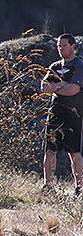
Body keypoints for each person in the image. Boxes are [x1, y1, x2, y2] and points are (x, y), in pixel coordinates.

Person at [40, 33, 83, 195]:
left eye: (64, 45)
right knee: (50, 151)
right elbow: (44, 87)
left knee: (75, 153)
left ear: (73, 46)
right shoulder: (55, 66)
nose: (61, 49)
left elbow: (74, 89)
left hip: (73, 114)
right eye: (59, 46)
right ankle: (48, 186)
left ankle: (79, 187)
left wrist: (56, 88)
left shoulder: (79, 66)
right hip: (54, 112)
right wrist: (59, 85)